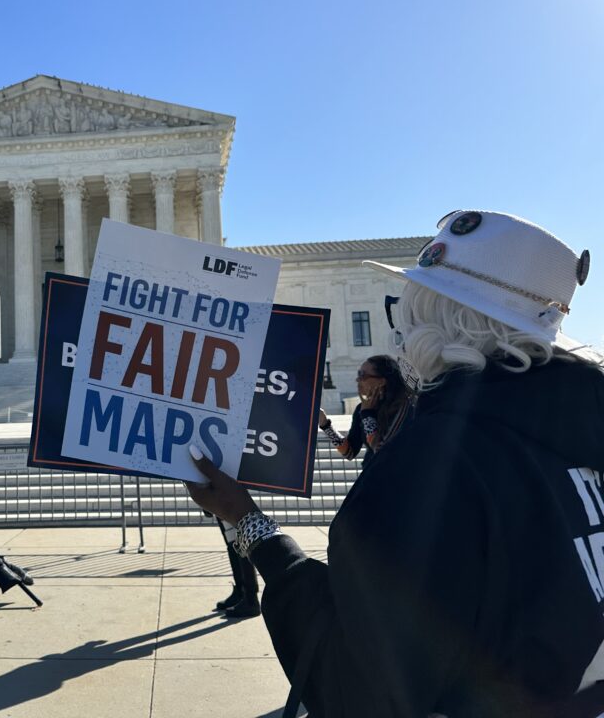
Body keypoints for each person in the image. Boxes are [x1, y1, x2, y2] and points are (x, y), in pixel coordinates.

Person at [186, 210, 604, 717]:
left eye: (406, 312)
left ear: (437, 321)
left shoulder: (435, 467)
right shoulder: (580, 436)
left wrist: (252, 525)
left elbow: (359, 683)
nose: (400, 331)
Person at [318, 354, 412, 467]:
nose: (358, 380)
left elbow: (381, 451)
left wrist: (367, 414)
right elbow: (349, 452)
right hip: (372, 476)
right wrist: (325, 424)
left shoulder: (403, 407)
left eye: (363, 375)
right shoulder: (362, 408)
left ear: (381, 381)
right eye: (358, 374)